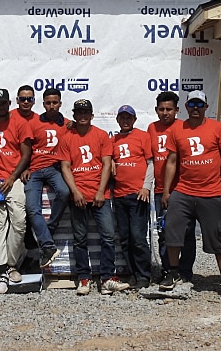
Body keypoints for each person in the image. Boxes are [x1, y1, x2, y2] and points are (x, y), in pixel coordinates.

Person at [160, 90, 221, 300]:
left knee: (217, 238)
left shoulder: (218, 128)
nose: (195, 108)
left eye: (199, 105)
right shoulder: (178, 130)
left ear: (206, 107)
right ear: (185, 107)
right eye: (191, 104)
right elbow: (172, 162)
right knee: (172, 233)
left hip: (210, 192)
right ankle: (173, 273)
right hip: (183, 191)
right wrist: (167, 191)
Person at [58, 99, 130, 295]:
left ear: (91, 115)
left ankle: (107, 278)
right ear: (74, 115)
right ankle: (84, 278)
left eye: (85, 113)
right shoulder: (67, 138)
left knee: (107, 237)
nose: (82, 116)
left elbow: (107, 164)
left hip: (100, 195)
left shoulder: (101, 135)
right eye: (78, 113)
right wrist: (74, 191)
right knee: (80, 239)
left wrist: (100, 190)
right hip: (78, 195)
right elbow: (65, 166)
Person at [0, 88, 33, 293]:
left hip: (15, 178)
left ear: (9, 103)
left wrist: (12, 177)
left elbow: (26, 154)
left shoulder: (20, 123)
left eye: (4, 103)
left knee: (19, 222)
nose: (1, 106)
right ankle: (3, 267)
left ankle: (12, 263)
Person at [14, 86, 71, 268]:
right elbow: (26, 150)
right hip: (36, 170)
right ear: (43, 104)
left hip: (54, 169)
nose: (52, 106)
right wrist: (26, 167)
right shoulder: (33, 123)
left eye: (55, 103)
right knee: (32, 208)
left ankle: (49, 228)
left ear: (60, 103)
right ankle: (47, 245)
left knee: (64, 192)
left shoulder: (68, 124)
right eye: (48, 103)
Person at [147, 91, 197, 283]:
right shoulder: (151, 128)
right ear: (156, 110)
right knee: (164, 232)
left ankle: (185, 272)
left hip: (184, 189)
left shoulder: (184, 127)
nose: (165, 113)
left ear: (177, 110)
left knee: (187, 232)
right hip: (161, 190)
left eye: (169, 109)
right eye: (162, 109)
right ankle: (168, 271)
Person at [111, 104, 154, 289]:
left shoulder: (143, 136)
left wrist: (146, 187)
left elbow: (150, 163)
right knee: (126, 238)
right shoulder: (113, 140)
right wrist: (112, 162)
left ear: (134, 120)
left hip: (138, 195)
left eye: (129, 117)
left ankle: (144, 274)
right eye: (122, 117)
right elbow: (108, 160)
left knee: (138, 236)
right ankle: (133, 273)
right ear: (118, 120)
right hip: (119, 195)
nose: (126, 120)